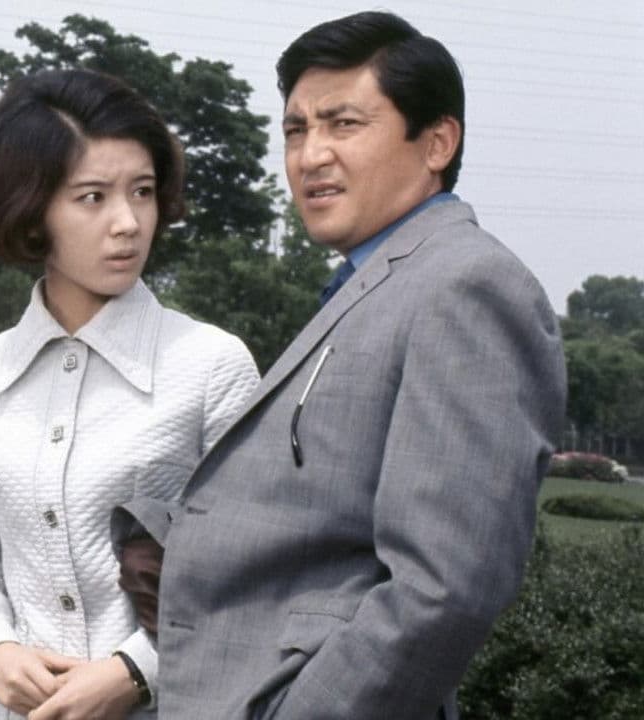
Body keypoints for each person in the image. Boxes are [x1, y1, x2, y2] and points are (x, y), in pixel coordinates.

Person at [115, 11, 567, 719]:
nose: (310, 155)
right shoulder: (374, 282)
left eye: (344, 124)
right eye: (296, 130)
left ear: (437, 142)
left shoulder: (467, 287)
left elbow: (443, 589)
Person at [0, 68, 261, 720]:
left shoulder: (212, 367)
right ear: (31, 208)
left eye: (143, 191)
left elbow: (249, 569)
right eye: (92, 197)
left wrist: (136, 671)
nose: (128, 222)